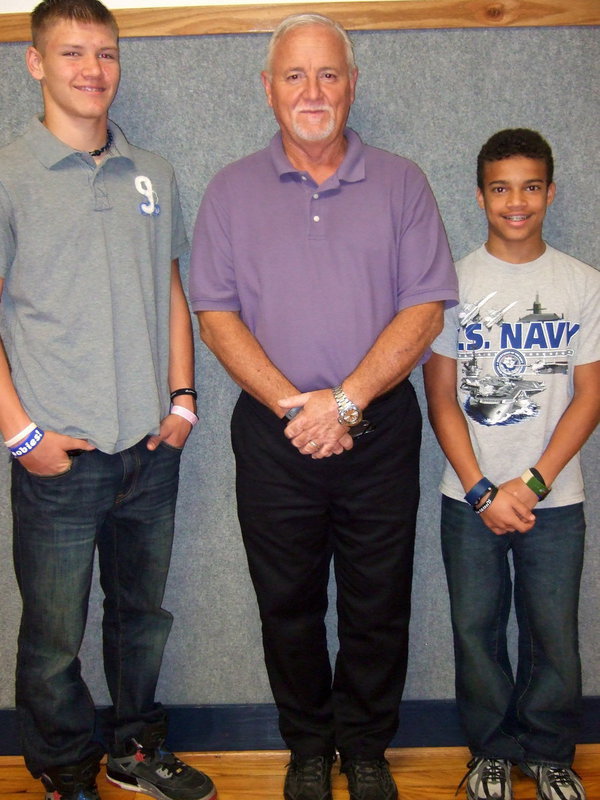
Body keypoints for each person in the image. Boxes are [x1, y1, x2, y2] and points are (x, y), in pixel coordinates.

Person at [189, 13, 458, 800]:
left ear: (352, 85)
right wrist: (294, 407)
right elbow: (216, 316)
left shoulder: (403, 181)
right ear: (267, 89)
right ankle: (308, 747)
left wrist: (342, 404)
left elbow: (425, 310)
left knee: (379, 599)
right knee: (289, 604)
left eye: (329, 74)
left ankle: (366, 747)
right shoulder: (230, 190)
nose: (314, 92)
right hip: (273, 436)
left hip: (377, 428)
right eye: (295, 76)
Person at [0, 2, 216, 800]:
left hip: (150, 450)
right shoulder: (9, 173)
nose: (93, 70)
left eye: (107, 54)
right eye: (73, 54)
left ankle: (134, 751)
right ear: (35, 63)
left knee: (141, 619)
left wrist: (185, 401)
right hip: (59, 457)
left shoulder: (153, 171)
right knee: (55, 638)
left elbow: (168, 286)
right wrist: (21, 433)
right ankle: (63, 773)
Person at [423, 129, 600, 800]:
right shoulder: (451, 283)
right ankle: (491, 750)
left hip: (553, 497)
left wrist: (529, 483)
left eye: (530, 186)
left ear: (550, 193)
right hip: (466, 495)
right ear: (480, 196)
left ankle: (551, 750)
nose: (516, 201)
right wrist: (478, 490)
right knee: (476, 628)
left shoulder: (582, 284)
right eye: (501, 188)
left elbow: (590, 395)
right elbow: (439, 395)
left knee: (553, 630)